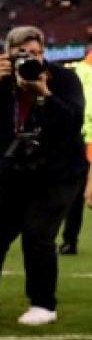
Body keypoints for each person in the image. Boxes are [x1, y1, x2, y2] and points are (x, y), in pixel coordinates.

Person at [0, 26, 88, 326]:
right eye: (23, 55)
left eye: (37, 54)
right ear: (8, 57)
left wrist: (45, 94)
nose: (32, 60)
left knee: (37, 234)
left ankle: (43, 304)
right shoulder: (1, 84)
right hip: (16, 172)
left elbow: (72, 122)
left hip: (59, 173)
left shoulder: (62, 79)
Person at [58, 44, 92, 256]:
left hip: (76, 140)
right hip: (80, 141)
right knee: (79, 196)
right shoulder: (77, 71)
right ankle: (69, 240)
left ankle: (70, 241)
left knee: (75, 196)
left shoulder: (76, 71)